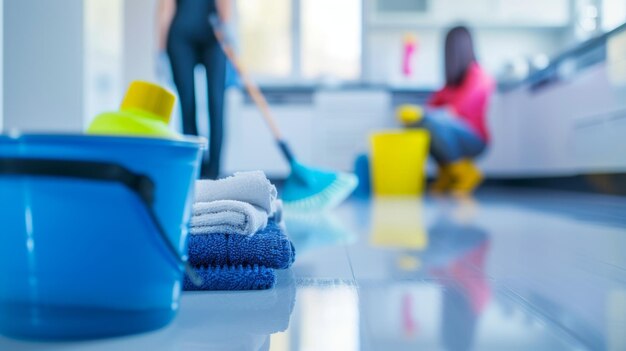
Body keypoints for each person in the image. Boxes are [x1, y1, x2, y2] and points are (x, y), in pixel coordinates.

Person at [397, 26, 495, 195]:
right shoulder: (450, 85)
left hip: (475, 140)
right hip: (455, 133)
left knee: (433, 121)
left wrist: (426, 114)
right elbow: (430, 107)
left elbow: (453, 111)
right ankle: (446, 173)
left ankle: (464, 172)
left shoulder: (479, 76)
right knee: (418, 124)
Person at [158, 0, 234, 179]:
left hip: (213, 35)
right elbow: (166, 7)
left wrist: (228, 26)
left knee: (216, 104)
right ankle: (195, 169)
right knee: (188, 105)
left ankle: (214, 172)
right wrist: (160, 50)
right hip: (180, 37)